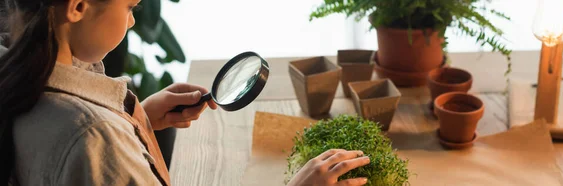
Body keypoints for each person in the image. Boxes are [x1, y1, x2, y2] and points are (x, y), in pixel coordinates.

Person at [0, 0, 371, 185]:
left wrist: (138, 118)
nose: (132, 20)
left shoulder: (16, 70)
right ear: (78, 6)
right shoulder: (95, 136)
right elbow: (88, 143)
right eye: (130, 6)